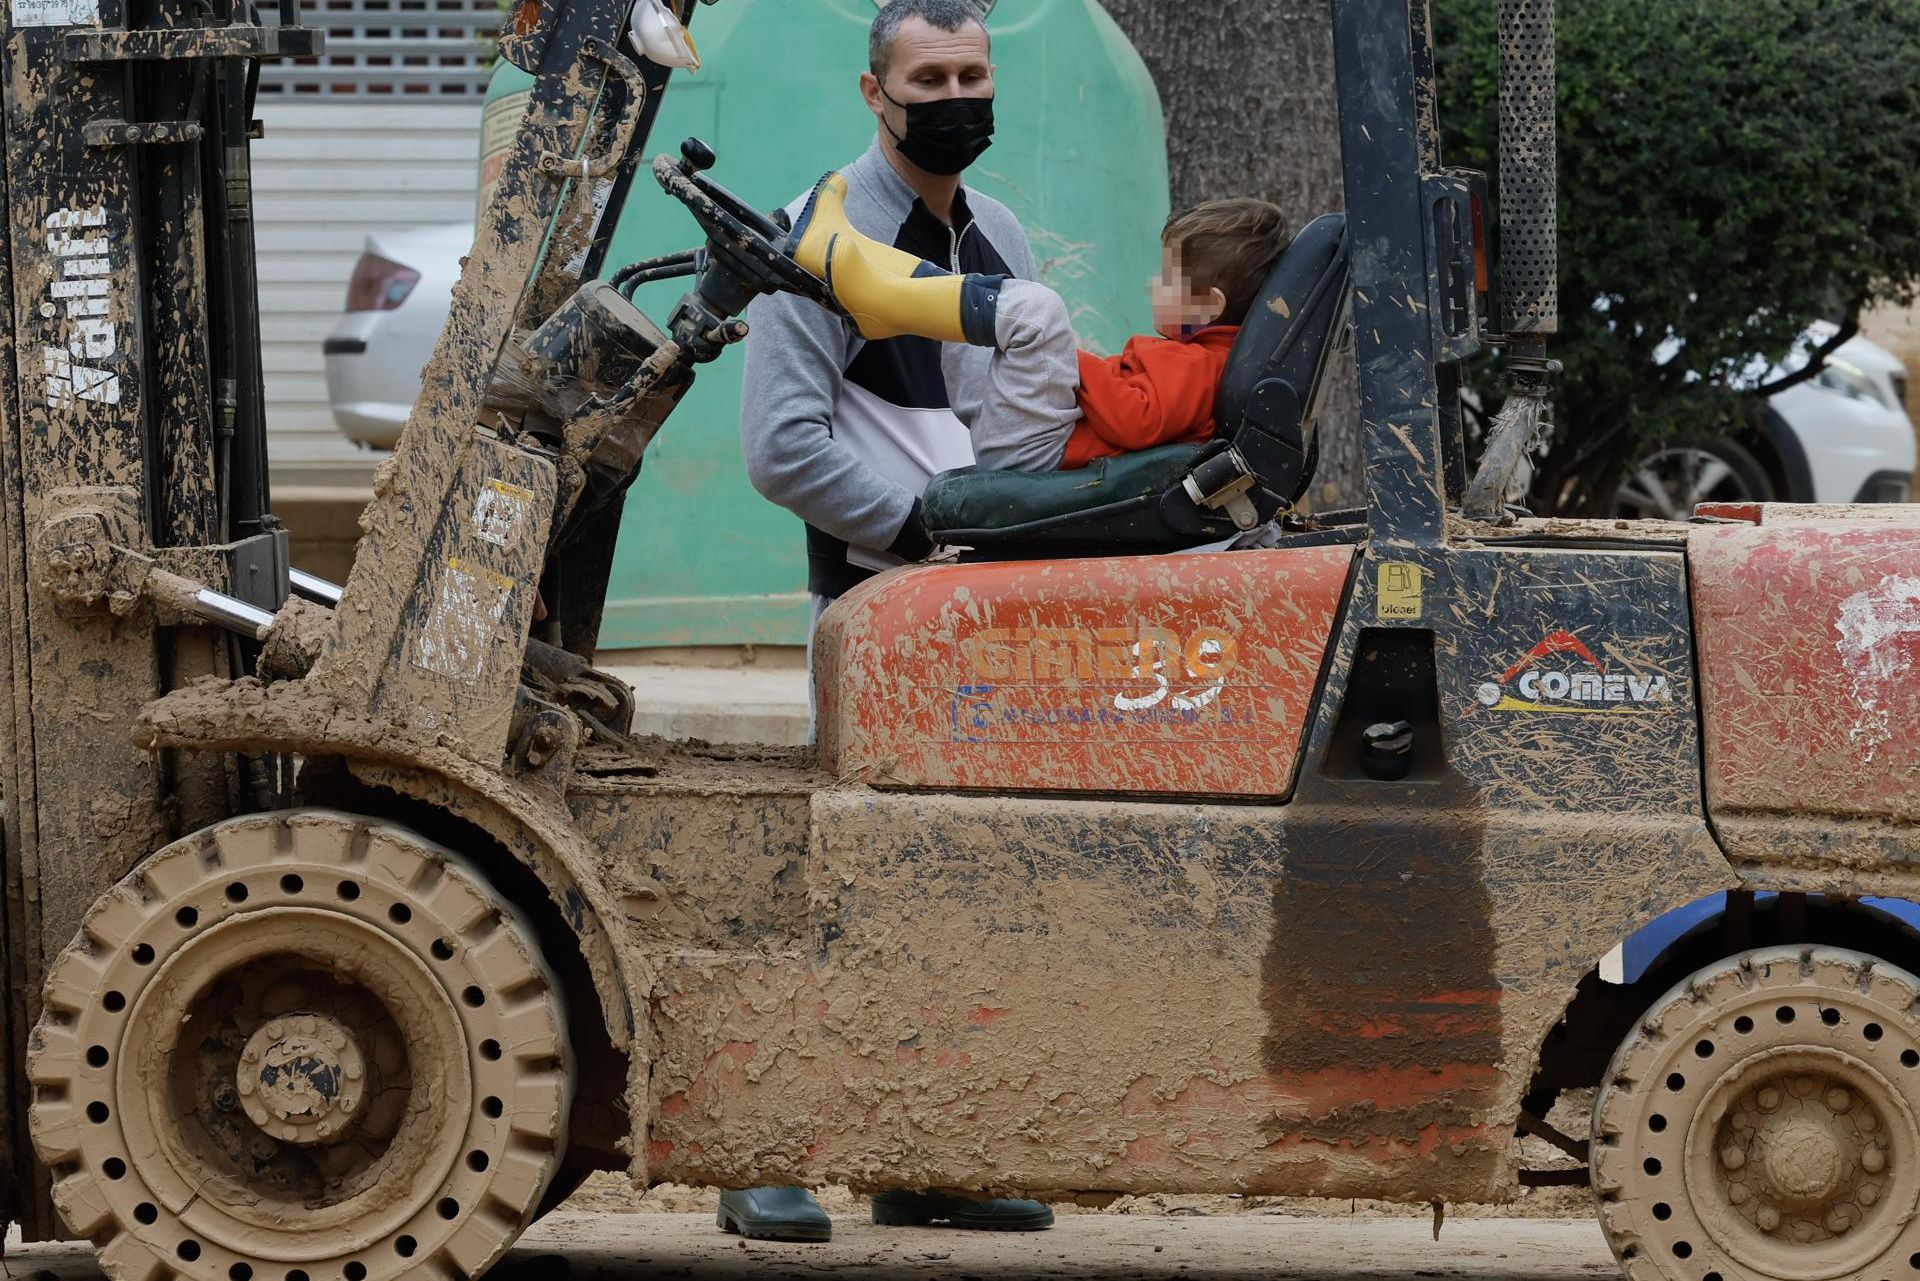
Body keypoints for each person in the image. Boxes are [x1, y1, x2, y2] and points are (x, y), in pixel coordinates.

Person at [727, 0, 1053, 1245]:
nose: (958, 95)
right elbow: (781, 449)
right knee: (832, 887)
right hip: (871, 610)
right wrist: (922, 536)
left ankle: (921, 1157)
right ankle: (762, 1151)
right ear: (877, 94)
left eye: (974, 72)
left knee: (956, 890)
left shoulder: (999, 234)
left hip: (981, 619)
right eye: (932, 77)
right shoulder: (822, 236)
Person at [783, 181, 1293, 471]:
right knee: (969, 312)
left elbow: (1136, 419)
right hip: (1033, 440)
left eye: (1167, 280)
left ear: (1207, 305)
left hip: (1041, 451)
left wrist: (1073, 364)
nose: (1152, 287)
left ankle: (871, 291)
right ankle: (854, 258)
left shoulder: (1200, 364)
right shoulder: (1198, 359)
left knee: (1037, 309)